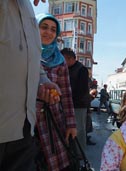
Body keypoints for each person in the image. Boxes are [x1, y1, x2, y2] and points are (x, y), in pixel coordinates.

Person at [0, 1, 61, 171]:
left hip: (23, 129)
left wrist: (42, 82)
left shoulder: (27, 8)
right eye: (44, 27)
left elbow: (30, 56)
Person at [35, 13, 77, 171]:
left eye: (53, 29)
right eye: (44, 27)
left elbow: (66, 95)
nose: (49, 32)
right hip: (26, 121)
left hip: (53, 122)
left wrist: (71, 124)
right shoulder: (24, 53)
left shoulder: (60, 61)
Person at [61, 47, 91, 150]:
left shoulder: (82, 70)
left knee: (79, 130)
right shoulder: (67, 69)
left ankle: (79, 154)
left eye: (63, 59)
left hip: (78, 105)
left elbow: (82, 90)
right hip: (69, 104)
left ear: (70, 58)